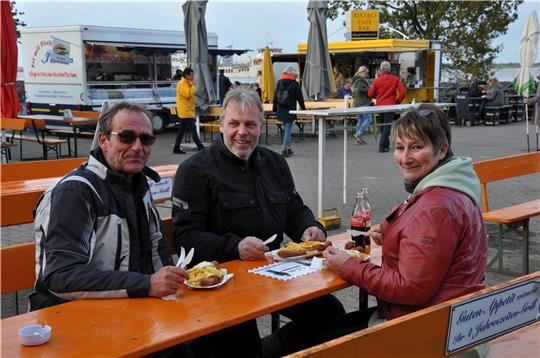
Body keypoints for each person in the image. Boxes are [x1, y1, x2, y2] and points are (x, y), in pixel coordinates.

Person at [172, 88, 345, 358]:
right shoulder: (194, 170)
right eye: (234, 124)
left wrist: (309, 227)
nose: (242, 132)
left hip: (273, 276)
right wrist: (234, 246)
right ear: (221, 125)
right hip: (222, 285)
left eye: (250, 124)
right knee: (243, 344)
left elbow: (293, 209)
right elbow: (185, 236)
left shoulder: (274, 163)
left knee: (330, 314)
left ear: (260, 127)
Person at [321, 104, 487, 340]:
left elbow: (410, 289)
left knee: (321, 340)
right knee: (330, 324)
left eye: (417, 147)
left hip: (425, 331)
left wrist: (348, 266)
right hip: (449, 320)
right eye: (400, 147)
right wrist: (392, 235)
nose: (405, 158)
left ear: (442, 150)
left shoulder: (435, 207)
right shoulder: (454, 188)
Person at [31, 102, 189, 308]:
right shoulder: (76, 193)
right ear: (103, 141)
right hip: (68, 319)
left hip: (130, 309)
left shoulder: (137, 184)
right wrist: (146, 284)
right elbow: (60, 276)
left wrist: (170, 286)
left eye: (146, 139)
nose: (138, 147)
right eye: (127, 137)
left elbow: (156, 252)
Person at [368, 61, 407, 153]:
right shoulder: (395, 79)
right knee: (387, 125)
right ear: (389, 69)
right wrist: (397, 101)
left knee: (382, 126)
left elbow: (370, 94)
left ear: (381, 69)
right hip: (390, 105)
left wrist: (377, 97)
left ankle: (384, 145)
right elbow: (403, 92)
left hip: (380, 105)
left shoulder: (377, 80)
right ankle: (383, 145)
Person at [273, 66, 306, 157]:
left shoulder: (279, 82)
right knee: (288, 130)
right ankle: (284, 149)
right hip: (290, 110)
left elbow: (275, 97)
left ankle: (288, 148)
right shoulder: (294, 84)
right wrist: (303, 109)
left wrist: (274, 109)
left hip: (280, 110)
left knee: (287, 130)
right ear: (293, 75)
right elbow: (300, 98)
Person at [174, 67, 205, 154]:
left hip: (187, 110)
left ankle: (176, 147)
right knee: (193, 129)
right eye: (191, 75)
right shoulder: (182, 83)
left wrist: (192, 85)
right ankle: (200, 146)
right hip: (185, 111)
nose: (193, 76)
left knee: (182, 130)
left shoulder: (187, 83)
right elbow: (187, 94)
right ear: (186, 75)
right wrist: (194, 86)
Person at [351, 66, 372, 144]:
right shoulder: (360, 80)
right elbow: (359, 89)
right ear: (361, 72)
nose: (366, 75)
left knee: (360, 120)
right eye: (365, 73)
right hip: (362, 102)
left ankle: (358, 138)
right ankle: (358, 133)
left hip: (357, 103)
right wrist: (369, 89)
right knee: (368, 119)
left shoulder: (356, 79)